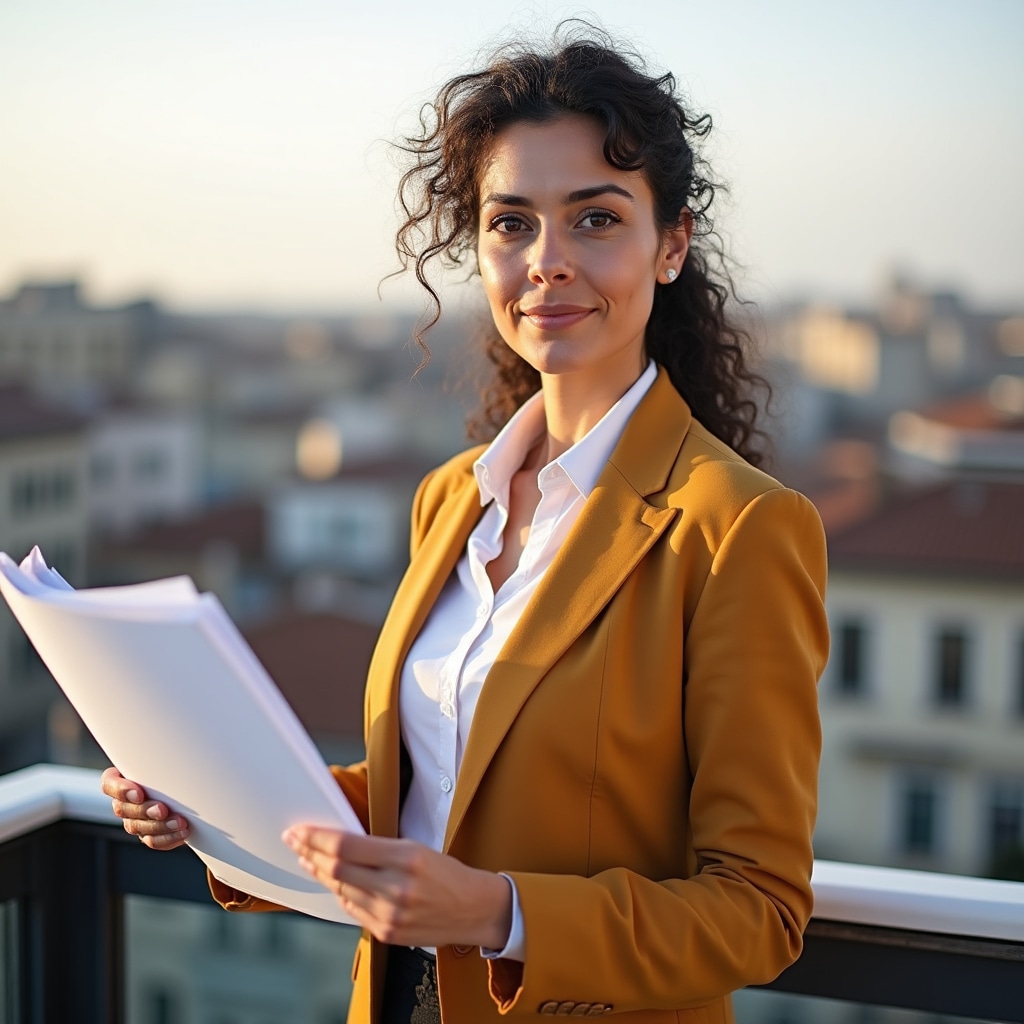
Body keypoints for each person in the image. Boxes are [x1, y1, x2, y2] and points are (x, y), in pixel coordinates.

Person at [104, 25, 830, 1024]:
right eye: (511, 223)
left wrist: (503, 913)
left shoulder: (741, 527)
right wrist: (212, 799)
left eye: (596, 219)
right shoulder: (452, 497)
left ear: (672, 244)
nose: (547, 263)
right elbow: (435, 788)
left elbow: (759, 910)